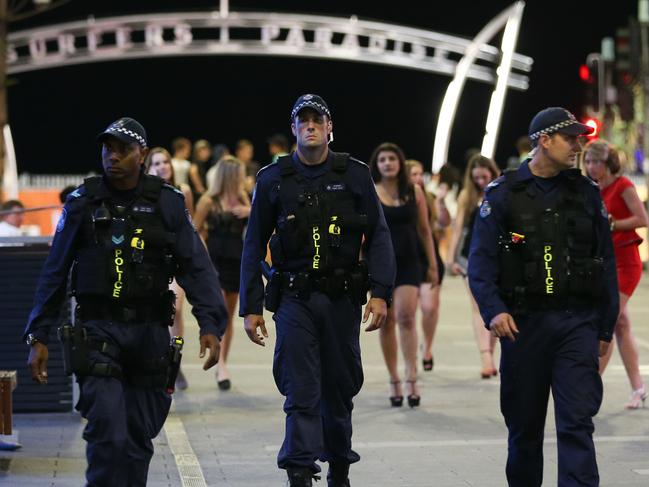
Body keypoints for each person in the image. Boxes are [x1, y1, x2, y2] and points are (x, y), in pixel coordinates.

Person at [24, 117, 228, 487]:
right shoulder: (82, 203)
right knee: (108, 436)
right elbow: (54, 272)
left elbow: (196, 267)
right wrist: (38, 334)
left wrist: (212, 324)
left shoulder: (166, 203)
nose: (113, 156)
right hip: (99, 332)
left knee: (136, 441)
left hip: (150, 336)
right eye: (108, 148)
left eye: (123, 149)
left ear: (142, 154)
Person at [239, 94, 395, 487]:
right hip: (295, 299)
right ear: (293, 129)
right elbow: (253, 245)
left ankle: (339, 467)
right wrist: (250, 306)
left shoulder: (355, 174)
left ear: (330, 128)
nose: (310, 125)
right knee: (301, 390)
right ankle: (300, 471)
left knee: (339, 391)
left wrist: (381, 292)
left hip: (343, 299)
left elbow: (378, 236)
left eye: (317, 120)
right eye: (302, 120)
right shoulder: (273, 179)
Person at [469, 107, 619, 486]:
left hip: (576, 324)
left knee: (577, 426)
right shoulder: (504, 194)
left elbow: (606, 262)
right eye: (570, 138)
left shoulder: (586, 193)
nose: (578, 145)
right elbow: (481, 263)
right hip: (524, 327)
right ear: (544, 141)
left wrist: (605, 326)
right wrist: (494, 311)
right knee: (524, 431)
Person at [370, 143, 438, 408]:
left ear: (400, 162)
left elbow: (424, 229)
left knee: (407, 317)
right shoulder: (371, 192)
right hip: (382, 263)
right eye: (382, 159)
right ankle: (394, 378)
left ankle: (412, 377)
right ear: (377, 164)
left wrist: (432, 264)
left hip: (410, 261)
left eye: (392, 159)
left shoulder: (415, 191)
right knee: (387, 321)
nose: (387, 163)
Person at [584, 139, 649, 409]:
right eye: (587, 161)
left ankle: (589, 387)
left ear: (607, 162)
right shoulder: (591, 189)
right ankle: (638, 387)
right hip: (604, 263)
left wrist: (614, 224)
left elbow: (642, 219)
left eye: (595, 161)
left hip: (626, 262)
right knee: (621, 324)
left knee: (608, 321)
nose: (590, 167)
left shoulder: (623, 186)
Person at [194, 156, 251, 391]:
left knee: (228, 315)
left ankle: (222, 364)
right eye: (240, 175)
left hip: (236, 261)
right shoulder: (209, 200)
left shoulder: (242, 197)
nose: (243, 178)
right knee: (217, 312)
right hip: (214, 261)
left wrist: (248, 210)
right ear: (230, 175)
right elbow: (195, 230)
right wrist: (204, 255)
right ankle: (219, 361)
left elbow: (257, 221)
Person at [145, 146, 195, 390]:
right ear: (148, 168)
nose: (162, 166)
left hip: (176, 262)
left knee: (174, 309)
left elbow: (191, 227)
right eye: (156, 163)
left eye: (165, 162)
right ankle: (160, 359)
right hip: (152, 263)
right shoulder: (144, 195)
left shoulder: (183, 191)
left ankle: (175, 358)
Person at [446, 154, 500, 378]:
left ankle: (491, 352)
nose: (480, 181)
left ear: (492, 172)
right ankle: (486, 356)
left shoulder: (500, 190)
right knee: (478, 306)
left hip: (497, 257)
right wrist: (450, 258)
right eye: (476, 178)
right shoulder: (467, 196)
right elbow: (458, 228)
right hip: (472, 257)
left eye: (484, 176)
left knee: (497, 306)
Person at [406, 159, 449, 372]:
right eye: (413, 174)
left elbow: (443, 223)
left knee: (429, 308)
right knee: (408, 313)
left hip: (428, 257)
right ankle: (411, 350)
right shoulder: (397, 199)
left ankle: (427, 348)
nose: (418, 178)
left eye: (420, 174)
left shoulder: (429, 198)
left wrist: (440, 202)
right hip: (407, 258)